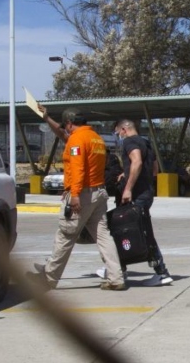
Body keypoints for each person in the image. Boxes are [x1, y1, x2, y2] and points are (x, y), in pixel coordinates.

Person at [28, 108, 125, 291]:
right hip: (99, 193)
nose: (66, 129)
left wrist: (74, 194)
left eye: (66, 125)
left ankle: (48, 278)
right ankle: (116, 277)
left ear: (70, 123)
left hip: (83, 194)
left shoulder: (77, 139)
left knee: (65, 235)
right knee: (104, 237)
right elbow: (64, 135)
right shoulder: (95, 138)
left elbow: (78, 168)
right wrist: (47, 118)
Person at [96, 119, 173, 285]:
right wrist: (128, 173)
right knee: (137, 230)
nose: (118, 136)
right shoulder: (146, 143)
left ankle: (160, 272)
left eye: (118, 132)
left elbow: (137, 161)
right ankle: (120, 269)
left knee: (128, 230)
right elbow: (154, 169)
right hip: (146, 192)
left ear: (124, 129)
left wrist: (128, 188)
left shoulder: (129, 142)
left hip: (135, 195)